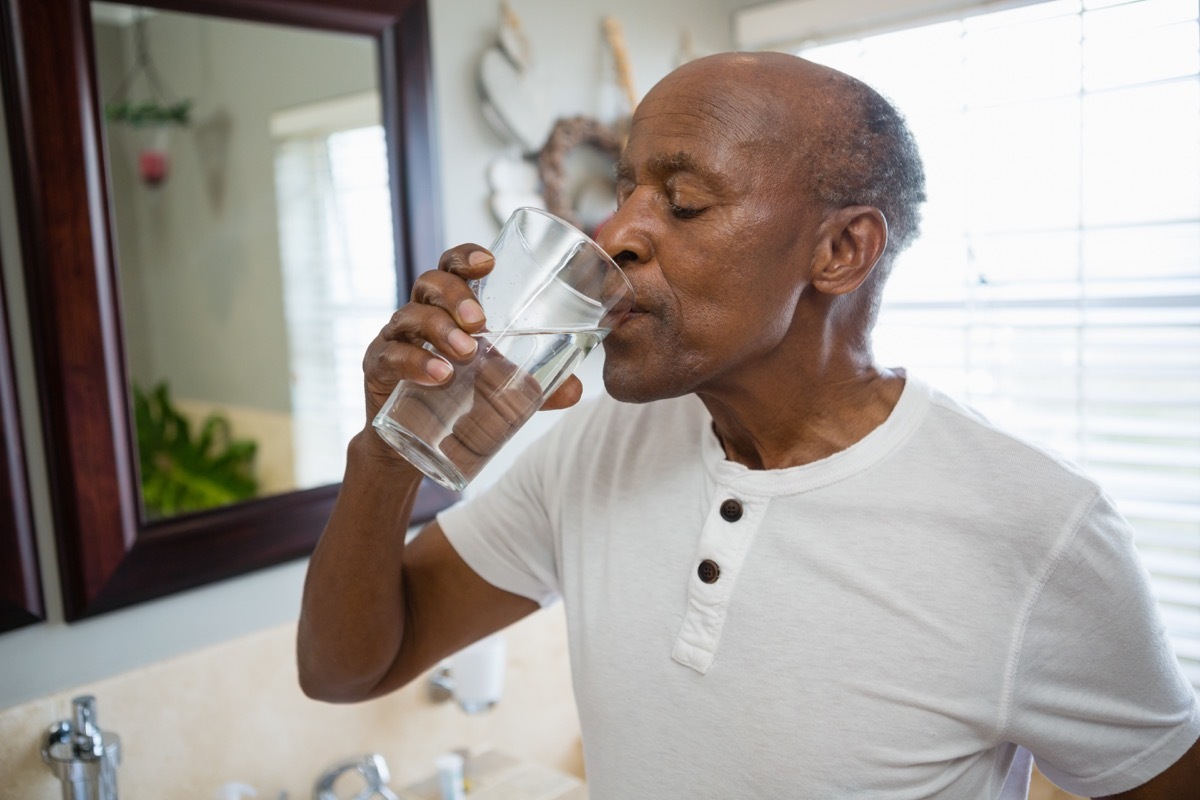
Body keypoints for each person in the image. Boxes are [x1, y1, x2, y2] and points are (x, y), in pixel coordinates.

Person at [297, 52, 1200, 798]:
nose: (615, 233)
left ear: (841, 251)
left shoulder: (1034, 529)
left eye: (684, 202)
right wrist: (386, 451)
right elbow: (346, 670)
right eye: (623, 191)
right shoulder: (591, 452)